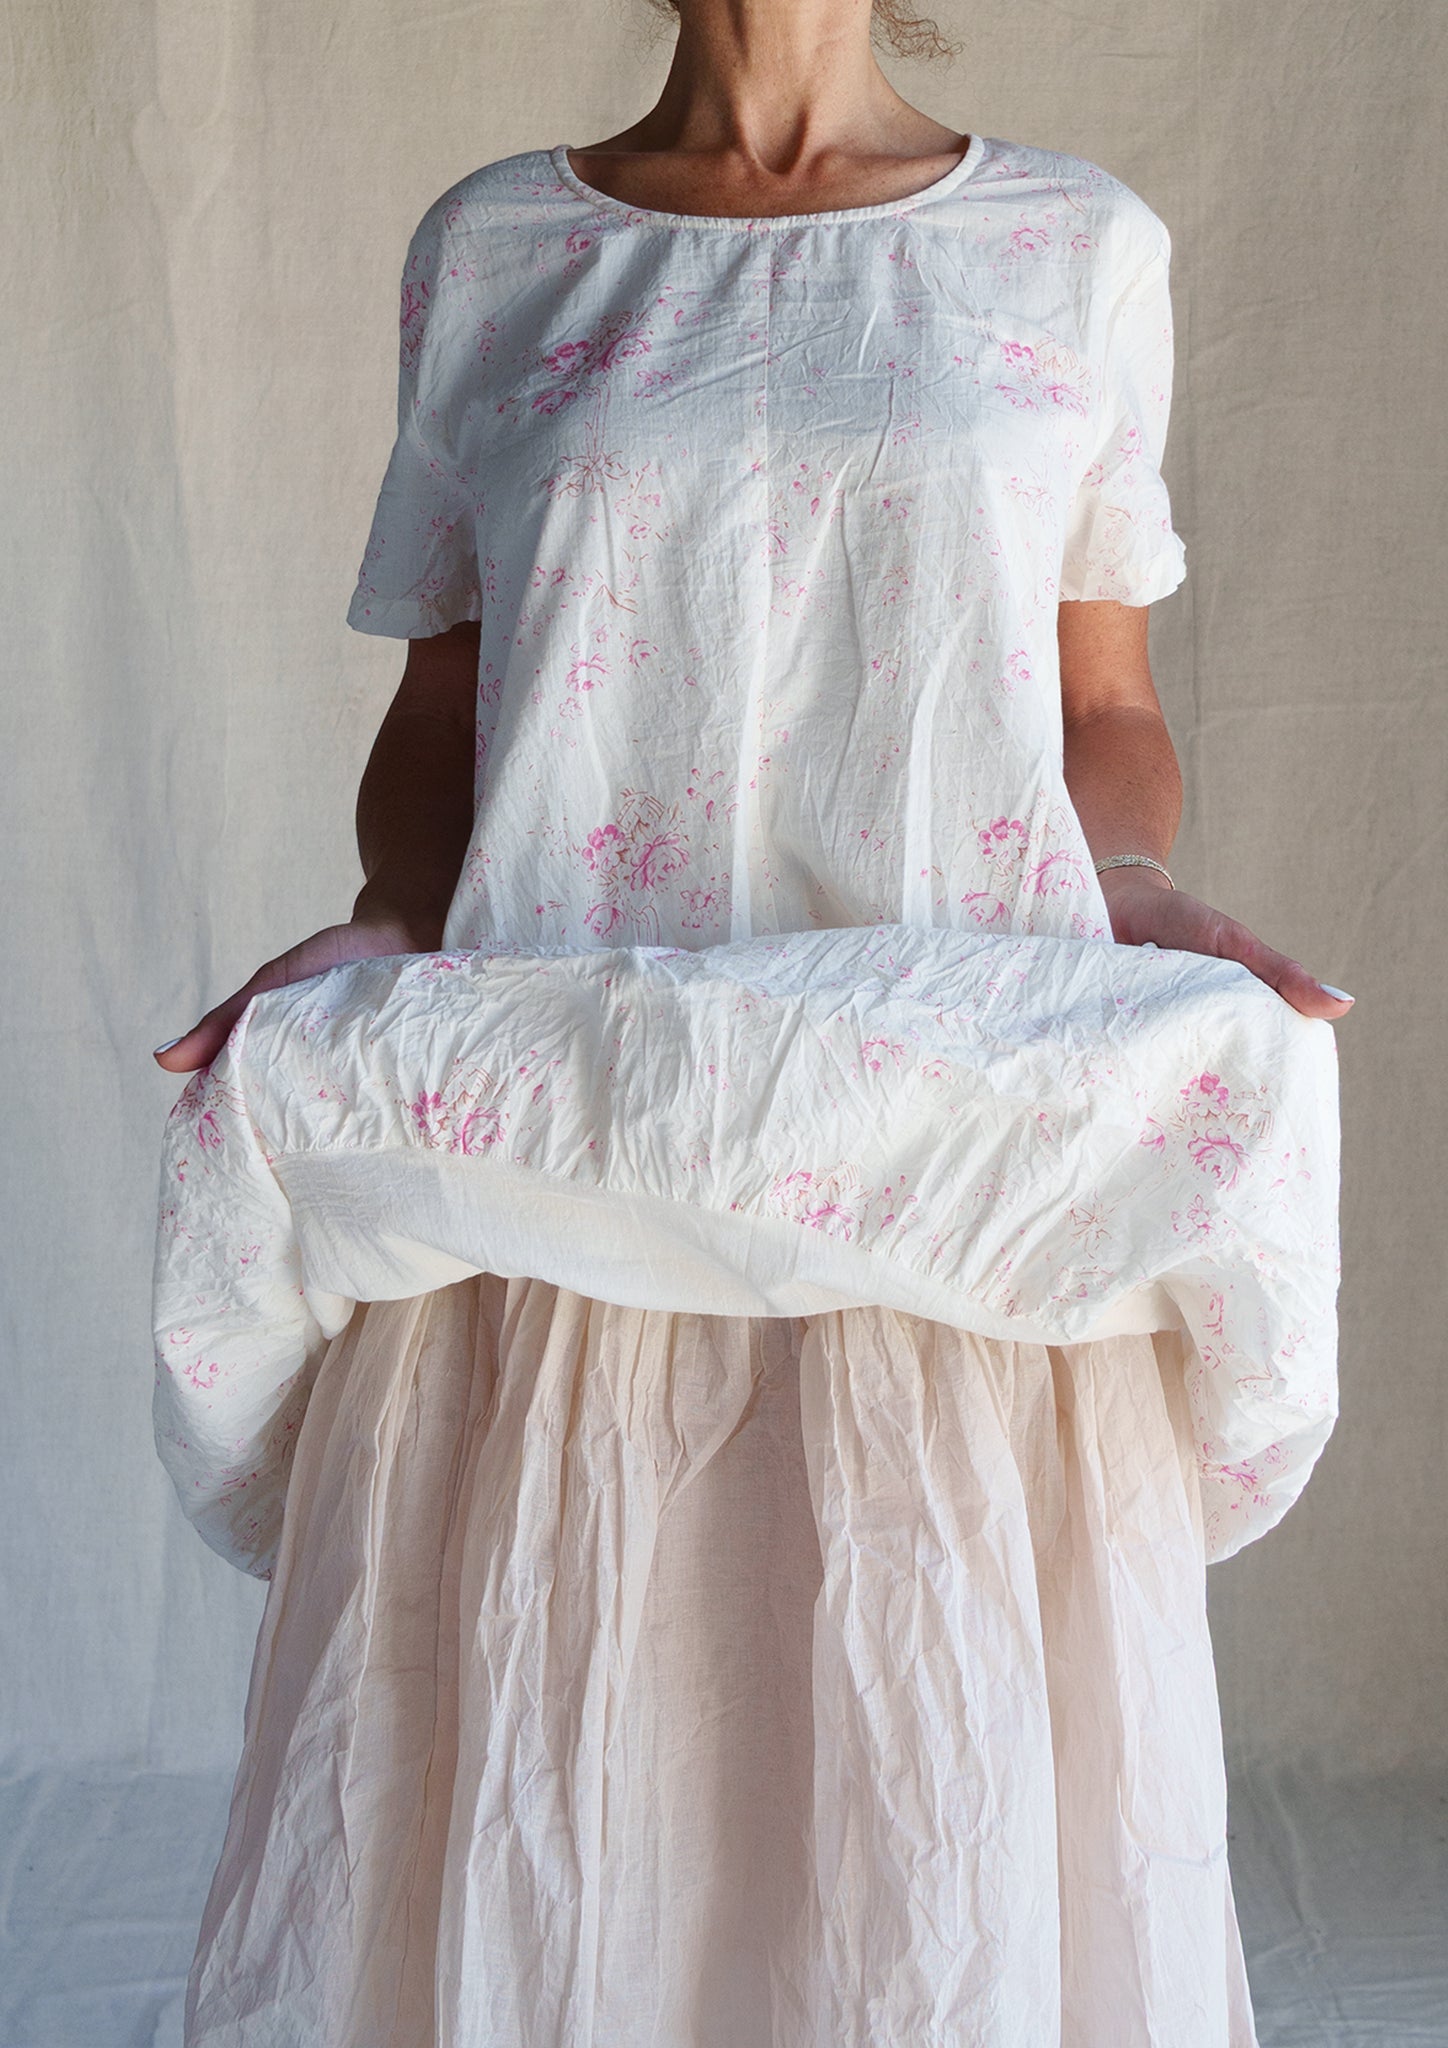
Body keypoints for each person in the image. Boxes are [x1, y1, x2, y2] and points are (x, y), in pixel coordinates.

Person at [153, 1, 1352, 2041]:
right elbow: (444, 715)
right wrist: (387, 925)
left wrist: (1132, 892)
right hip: (562, 1180)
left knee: (921, 1842)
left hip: (939, 1181)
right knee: (561, 1813)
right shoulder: (495, 248)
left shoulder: (1073, 244)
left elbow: (1100, 708)